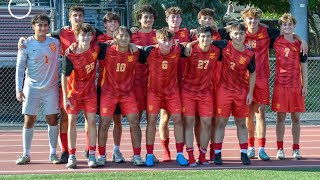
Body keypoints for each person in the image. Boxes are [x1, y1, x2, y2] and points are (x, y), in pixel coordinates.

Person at [241, 7, 307, 161]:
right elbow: (221, 32)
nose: (253, 21)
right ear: (245, 20)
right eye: (250, 19)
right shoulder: (240, 32)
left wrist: (302, 39)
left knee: (261, 113)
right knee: (248, 114)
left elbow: (289, 32)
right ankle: (250, 147)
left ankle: (262, 148)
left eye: (256, 19)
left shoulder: (269, 34)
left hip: (264, 78)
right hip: (245, 78)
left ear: (259, 20)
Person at [138, 27, 189, 167]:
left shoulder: (177, 50)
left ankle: (179, 153)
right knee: (152, 121)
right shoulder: (150, 51)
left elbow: (187, 45)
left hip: (172, 92)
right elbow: (137, 48)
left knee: (178, 120)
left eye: (168, 41)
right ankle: (149, 154)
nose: (166, 44)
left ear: (173, 41)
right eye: (163, 40)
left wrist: (191, 44)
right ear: (157, 41)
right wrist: (131, 44)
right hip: (154, 92)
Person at [15, 14, 60, 165]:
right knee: (29, 120)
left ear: (49, 27)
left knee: (52, 119)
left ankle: (53, 153)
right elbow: (20, 68)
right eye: (39, 25)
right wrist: (18, 89)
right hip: (31, 88)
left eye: (45, 25)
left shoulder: (55, 42)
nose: (42, 28)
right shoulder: (26, 44)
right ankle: (26, 154)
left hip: (51, 88)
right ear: (33, 27)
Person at [96, 26, 145, 167]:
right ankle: (101, 155)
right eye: (120, 36)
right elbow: (88, 45)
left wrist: (135, 45)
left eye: (126, 36)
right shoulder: (106, 50)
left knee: (135, 122)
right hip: (108, 92)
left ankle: (136, 155)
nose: (123, 38)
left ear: (130, 38)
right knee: (104, 123)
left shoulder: (136, 52)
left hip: (127, 93)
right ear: (115, 38)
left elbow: (153, 49)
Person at [212, 23, 256, 165]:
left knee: (241, 123)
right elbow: (205, 39)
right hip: (223, 90)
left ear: (245, 35)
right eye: (235, 34)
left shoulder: (250, 53)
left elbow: (253, 73)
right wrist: (189, 44)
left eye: (241, 34)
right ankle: (217, 153)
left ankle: (244, 153)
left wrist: (250, 92)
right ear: (231, 35)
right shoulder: (224, 45)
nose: (238, 36)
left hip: (240, 92)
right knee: (221, 122)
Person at [191, 8, 228, 161]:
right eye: (204, 18)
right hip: (199, 84)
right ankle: (201, 149)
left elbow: (238, 31)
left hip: (218, 83)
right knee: (199, 120)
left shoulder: (221, 33)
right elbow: (184, 44)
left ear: (214, 21)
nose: (207, 21)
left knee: (214, 119)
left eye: (210, 19)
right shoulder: (192, 34)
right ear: (199, 20)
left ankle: (214, 149)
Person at [61, 23, 100, 168]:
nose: (86, 37)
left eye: (89, 34)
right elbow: (64, 77)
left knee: (91, 122)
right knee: (72, 121)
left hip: (89, 93)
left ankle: (91, 155)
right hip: (74, 93)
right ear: (77, 37)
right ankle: (72, 155)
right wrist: (65, 97)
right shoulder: (70, 54)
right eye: (83, 35)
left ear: (92, 36)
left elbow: (111, 38)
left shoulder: (96, 48)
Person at [181, 25, 220, 166]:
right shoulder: (189, 49)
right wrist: (190, 44)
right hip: (188, 91)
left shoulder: (216, 50)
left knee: (206, 123)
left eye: (208, 36)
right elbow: (176, 46)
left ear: (212, 38)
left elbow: (231, 40)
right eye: (202, 36)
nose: (205, 39)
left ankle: (202, 155)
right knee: (189, 123)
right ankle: (190, 155)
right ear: (197, 38)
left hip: (205, 92)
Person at [272, 13, 308, 160]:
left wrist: (305, 85)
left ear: (294, 26)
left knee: (296, 118)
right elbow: (259, 27)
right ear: (281, 27)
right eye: (284, 24)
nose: (287, 27)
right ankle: (280, 148)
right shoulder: (275, 40)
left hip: (295, 85)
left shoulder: (300, 45)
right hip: (280, 85)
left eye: (289, 24)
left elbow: (304, 66)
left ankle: (296, 149)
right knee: (280, 117)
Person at [158, 7, 191, 162]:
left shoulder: (188, 33)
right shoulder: (160, 34)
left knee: (182, 119)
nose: (175, 20)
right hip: (165, 83)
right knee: (164, 118)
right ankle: (165, 151)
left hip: (183, 82)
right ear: (167, 19)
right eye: (172, 17)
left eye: (178, 17)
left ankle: (180, 152)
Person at [96, 11, 126, 163]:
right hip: (104, 85)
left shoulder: (124, 38)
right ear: (105, 24)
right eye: (110, 22)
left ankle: (116, 149)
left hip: (121, 86)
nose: (113, 24)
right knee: (103, 121)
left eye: (115, 22)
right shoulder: (99, 38)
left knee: (117, 120)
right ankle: (98, 152)